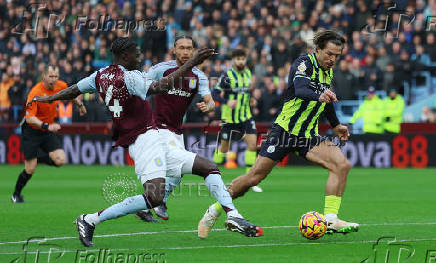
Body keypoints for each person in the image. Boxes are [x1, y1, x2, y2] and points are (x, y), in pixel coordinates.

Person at [32, 38, 262, 247]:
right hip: (143, 141)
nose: (140, 57)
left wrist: (49, 98)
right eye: (136, 53)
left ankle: (233, 215)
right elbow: (160, 87)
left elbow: (74, 89)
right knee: (154, 197)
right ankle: (90, 219)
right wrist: (191, 63)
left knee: (208, 167)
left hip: (155, 136)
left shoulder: (99, 75)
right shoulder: (131, 77)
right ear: (124, 56)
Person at [198, 30, 359, 239]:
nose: (332, 59)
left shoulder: (328, 71)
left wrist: (336, 125)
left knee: (341, 165)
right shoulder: (304, 63)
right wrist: (320, 94)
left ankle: (330, 219)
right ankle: (213, 211)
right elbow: (301, 89)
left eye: (337, 56)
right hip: (284, 132)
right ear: (317, 50)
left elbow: (326, 100)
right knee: (253, 178)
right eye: (329, 54)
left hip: (308, 136)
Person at [136, 35, 218, 222]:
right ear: (174, 50)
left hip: (176, 130)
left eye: (189, 48)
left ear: (194, 51)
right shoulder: (161, 69)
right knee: (178, 167)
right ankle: (159, 201)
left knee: (174, 171)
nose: (185, 52)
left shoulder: (199, 76)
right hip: (157, 127)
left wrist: (210, 106)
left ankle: (147, 205)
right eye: (181, 48)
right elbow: (142, 87)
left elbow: (210, 100)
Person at [11, 65, 86, 203]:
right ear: (44, 76)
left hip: (47, 130)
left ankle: (37, 159)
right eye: (51, 76)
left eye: (56, 76)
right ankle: (16, 195)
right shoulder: (35, 92)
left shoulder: (60, 85)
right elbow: (29, 118)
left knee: (60, 160)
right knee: (30, 169)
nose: (54, 79)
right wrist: (47, 126)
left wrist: (80, 105)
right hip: (32, 131)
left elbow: (71, 94)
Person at [212, 49, 263, 193]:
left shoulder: (248, 73)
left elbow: (246, 92)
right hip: (229, 118)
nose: (241, 61)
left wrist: (251, 99)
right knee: (223, 149)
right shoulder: (227, 76)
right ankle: (210, 174)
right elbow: (215, 93)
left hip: (246, 116)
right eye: (238, 59)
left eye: (243, 59)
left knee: (252, 145)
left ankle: (250, 180)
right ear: (233, 60)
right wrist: (226, 101)